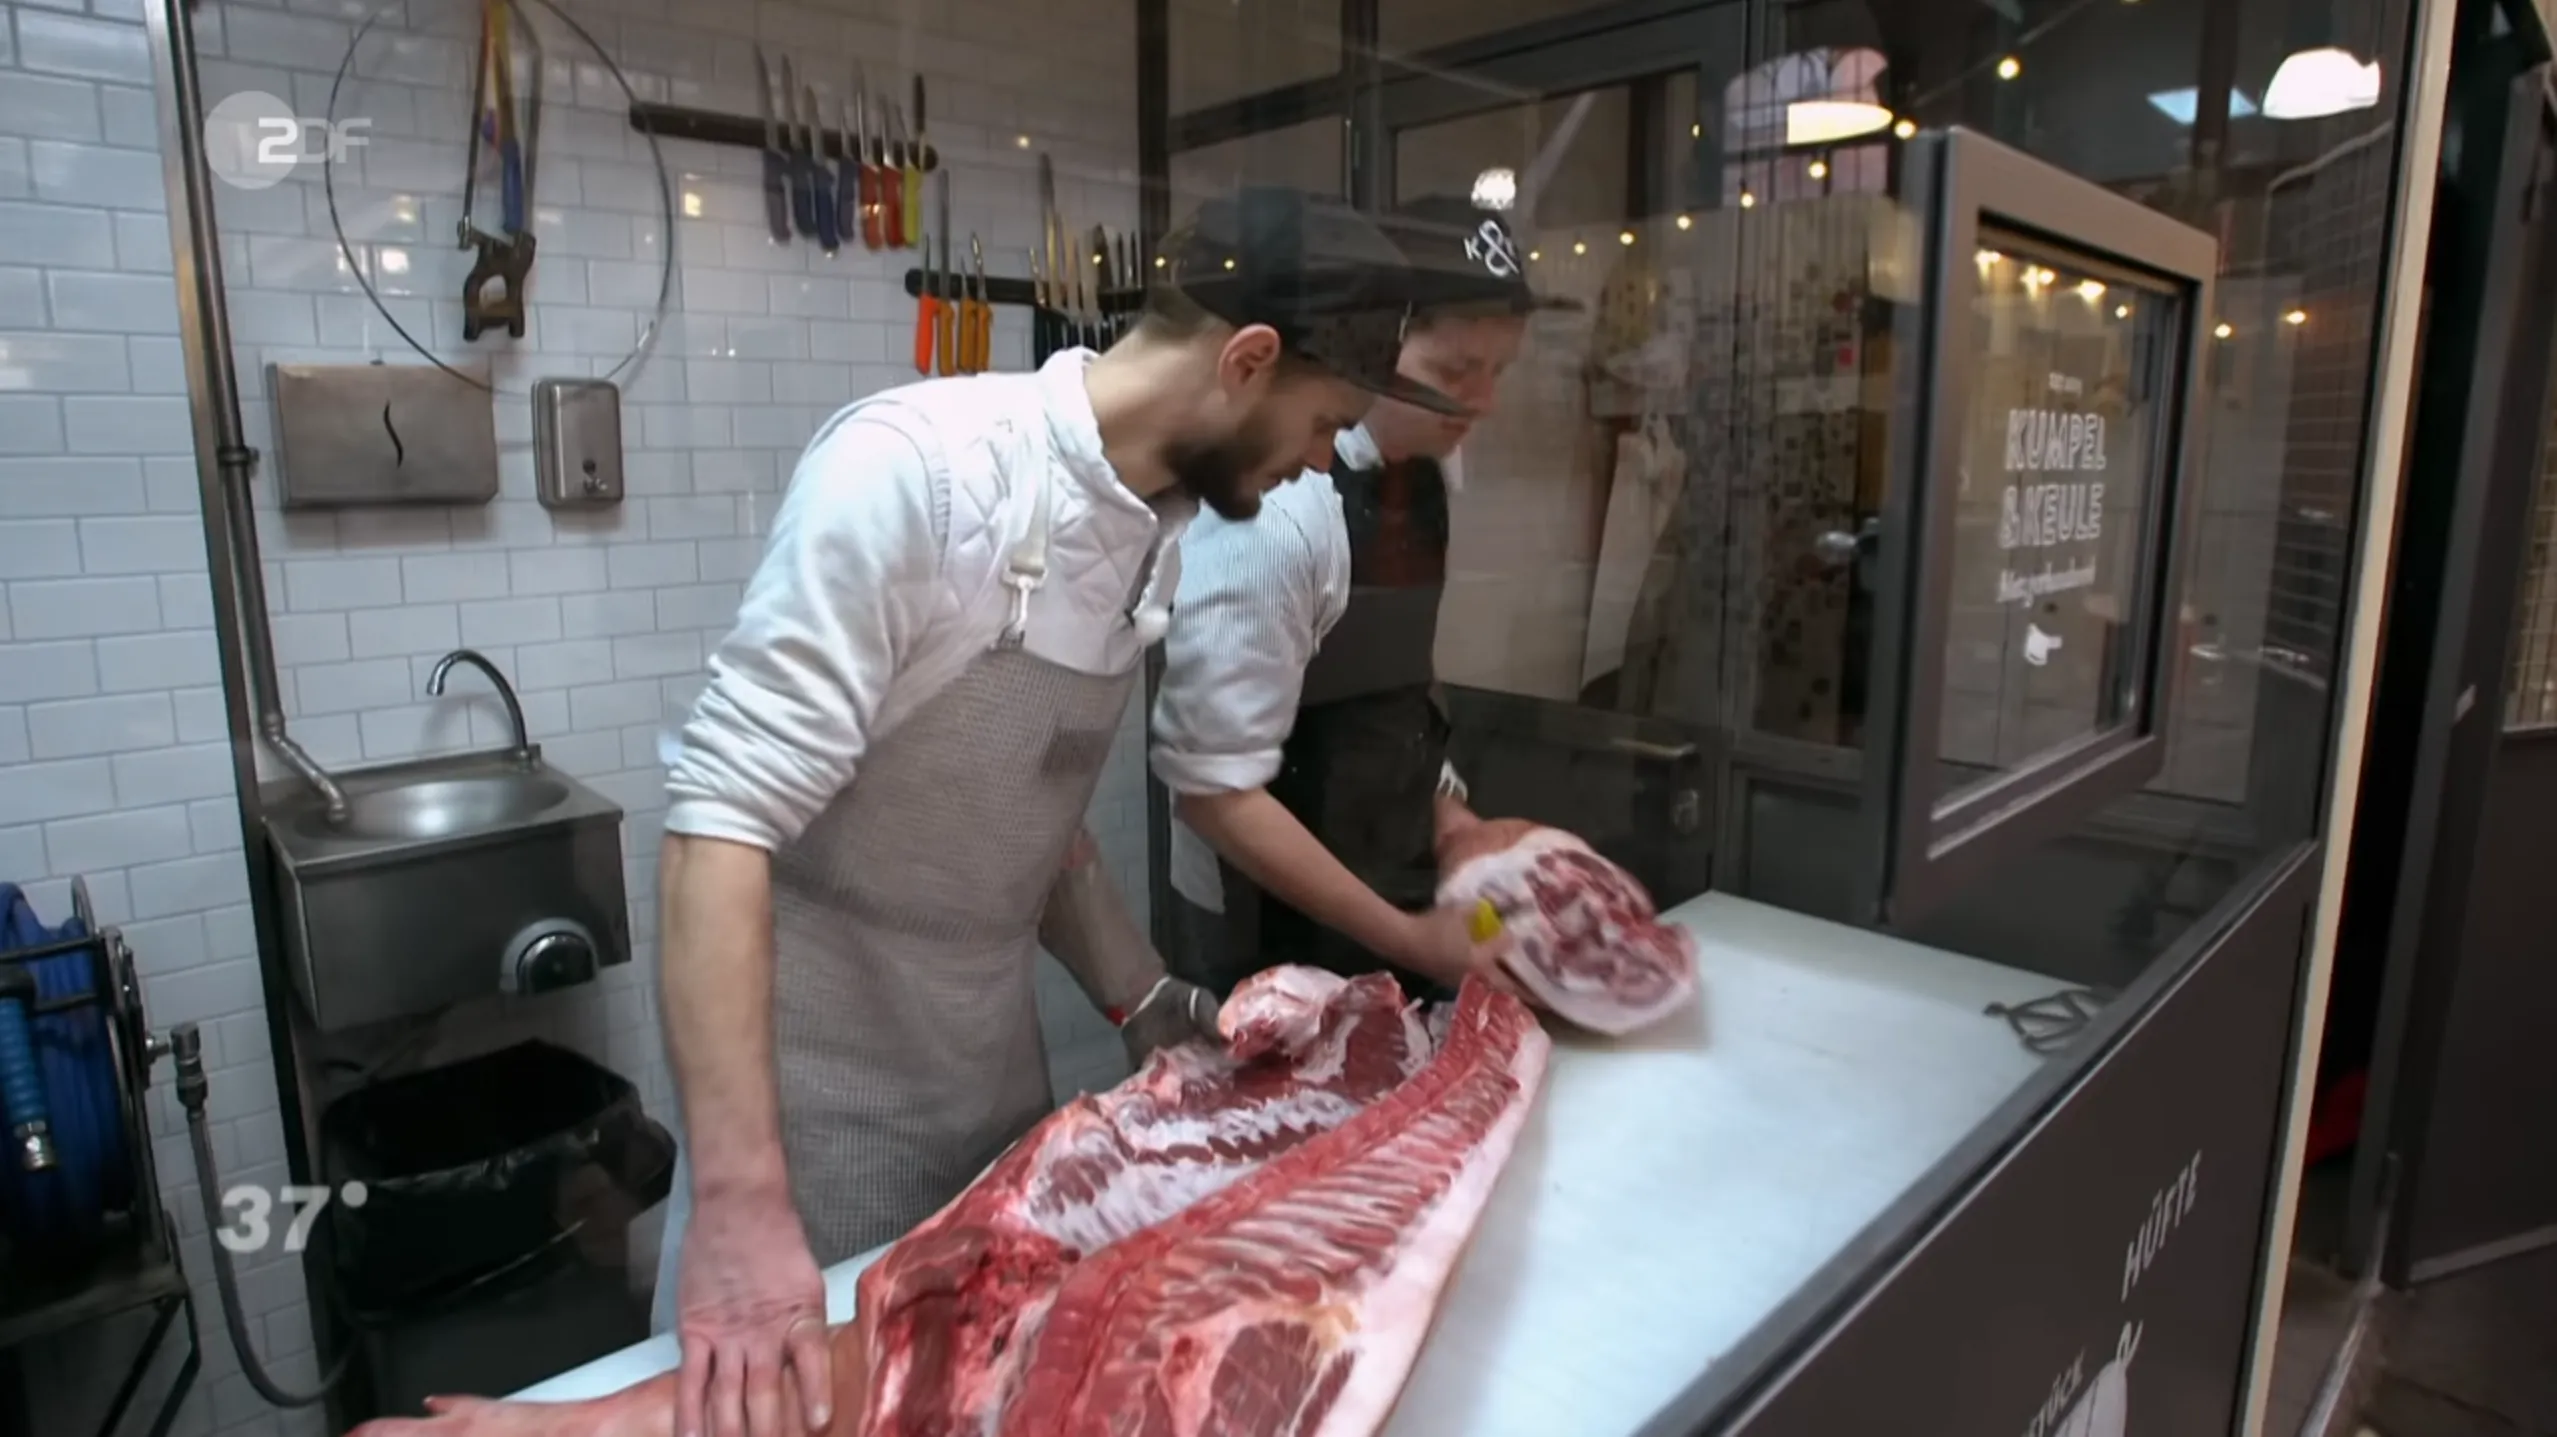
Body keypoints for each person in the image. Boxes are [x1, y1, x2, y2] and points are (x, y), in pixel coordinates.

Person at [650, 186, 1466, 1437]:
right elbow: (718, 824)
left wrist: (1157, 1011)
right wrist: (742, 1201)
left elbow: (1033, 821)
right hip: (802, 1117)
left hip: (987, 1098)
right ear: (1247, 362)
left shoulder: (1158, 530)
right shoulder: (913, 475)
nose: (1320, 462)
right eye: (1322, 422)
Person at [1151, 195, 1567, 999]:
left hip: (1386, 882)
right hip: (1264, 924)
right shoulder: (1277, 515)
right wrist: (1411, 938)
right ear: (1372, 346)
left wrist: (1452, 820)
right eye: (1454, 371)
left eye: (1497, 372)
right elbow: (1214, 798)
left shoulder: (1432, 474)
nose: (1481, 402)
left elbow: (1392, 683)